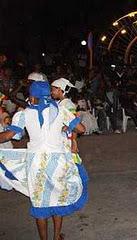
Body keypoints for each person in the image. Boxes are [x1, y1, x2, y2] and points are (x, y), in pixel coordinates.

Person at [0, 81, 88, 240]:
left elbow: (8, 136)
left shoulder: (23, 114)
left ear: (32, 97)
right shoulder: (61, 110)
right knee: (57, 198)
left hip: (36, 163)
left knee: (40, 202)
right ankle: (56, 237)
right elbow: (81, 129)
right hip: (58, 162)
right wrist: (65, 127)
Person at [51, 78, 82, 164]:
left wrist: (74, 141)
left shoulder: (67, 104)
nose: (51, 92)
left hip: (68, 140)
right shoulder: (60, 103)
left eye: (53, 89)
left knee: (73, 163)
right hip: (63, 139)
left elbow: (74, 124)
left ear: (60, 90)